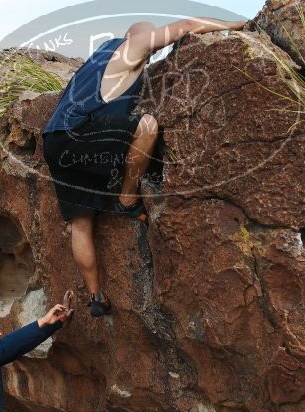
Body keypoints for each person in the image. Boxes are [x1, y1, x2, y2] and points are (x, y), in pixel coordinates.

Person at [42, 17, 248, 317]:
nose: (151, 46)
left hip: (55, 142)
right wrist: (236, 24)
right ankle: (127, 198)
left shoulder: (94, 63)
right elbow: (187, 25)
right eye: (149, 36)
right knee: (147, 126)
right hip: (81, 134)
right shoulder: (129, 46)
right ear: (135, 35)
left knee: (81, 223)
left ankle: (97, 298)